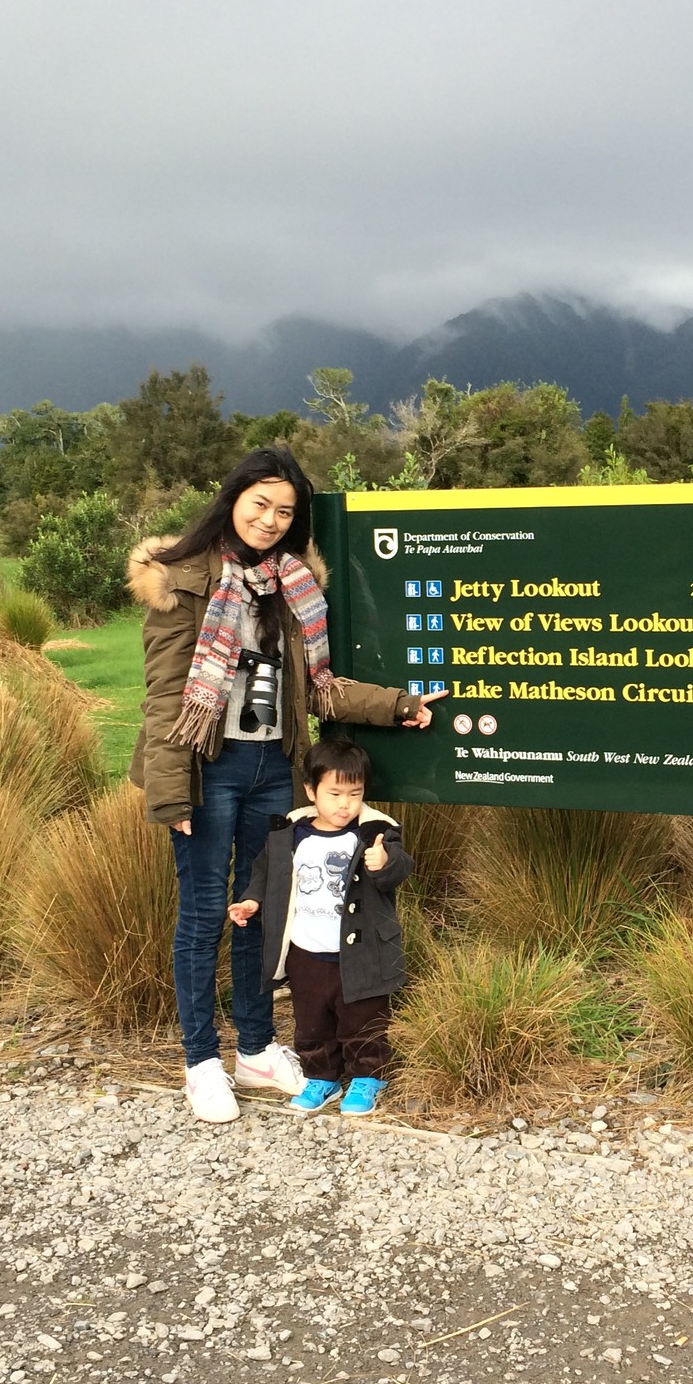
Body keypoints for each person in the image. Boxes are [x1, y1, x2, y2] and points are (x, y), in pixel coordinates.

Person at [126, 446, 440, 1124]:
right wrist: (171, 793)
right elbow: (165, 696)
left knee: (262, 913)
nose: (270, 520)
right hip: (207, 768)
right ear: (233, 498)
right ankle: (202, 1062)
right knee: (204, 914)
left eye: (286, 512)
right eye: (260, 504)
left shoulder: (294, 585)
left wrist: (398, 705)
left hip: (274, 769)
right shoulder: (182, 579)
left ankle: (256, 1048)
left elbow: (321, 689)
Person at [227, 738, 411, 1118]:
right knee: (312, 1020)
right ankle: (321, 1075)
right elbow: (267, 874)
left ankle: (367, 1075)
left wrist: (384, 862)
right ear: (311, 791)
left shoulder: (373, 833)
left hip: (360, 952)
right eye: (334, 794)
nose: (345, 804)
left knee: (363, 1017)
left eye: (355, 794)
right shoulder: (291, 834)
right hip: (306, 951)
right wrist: (251, 901)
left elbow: (399, 869)